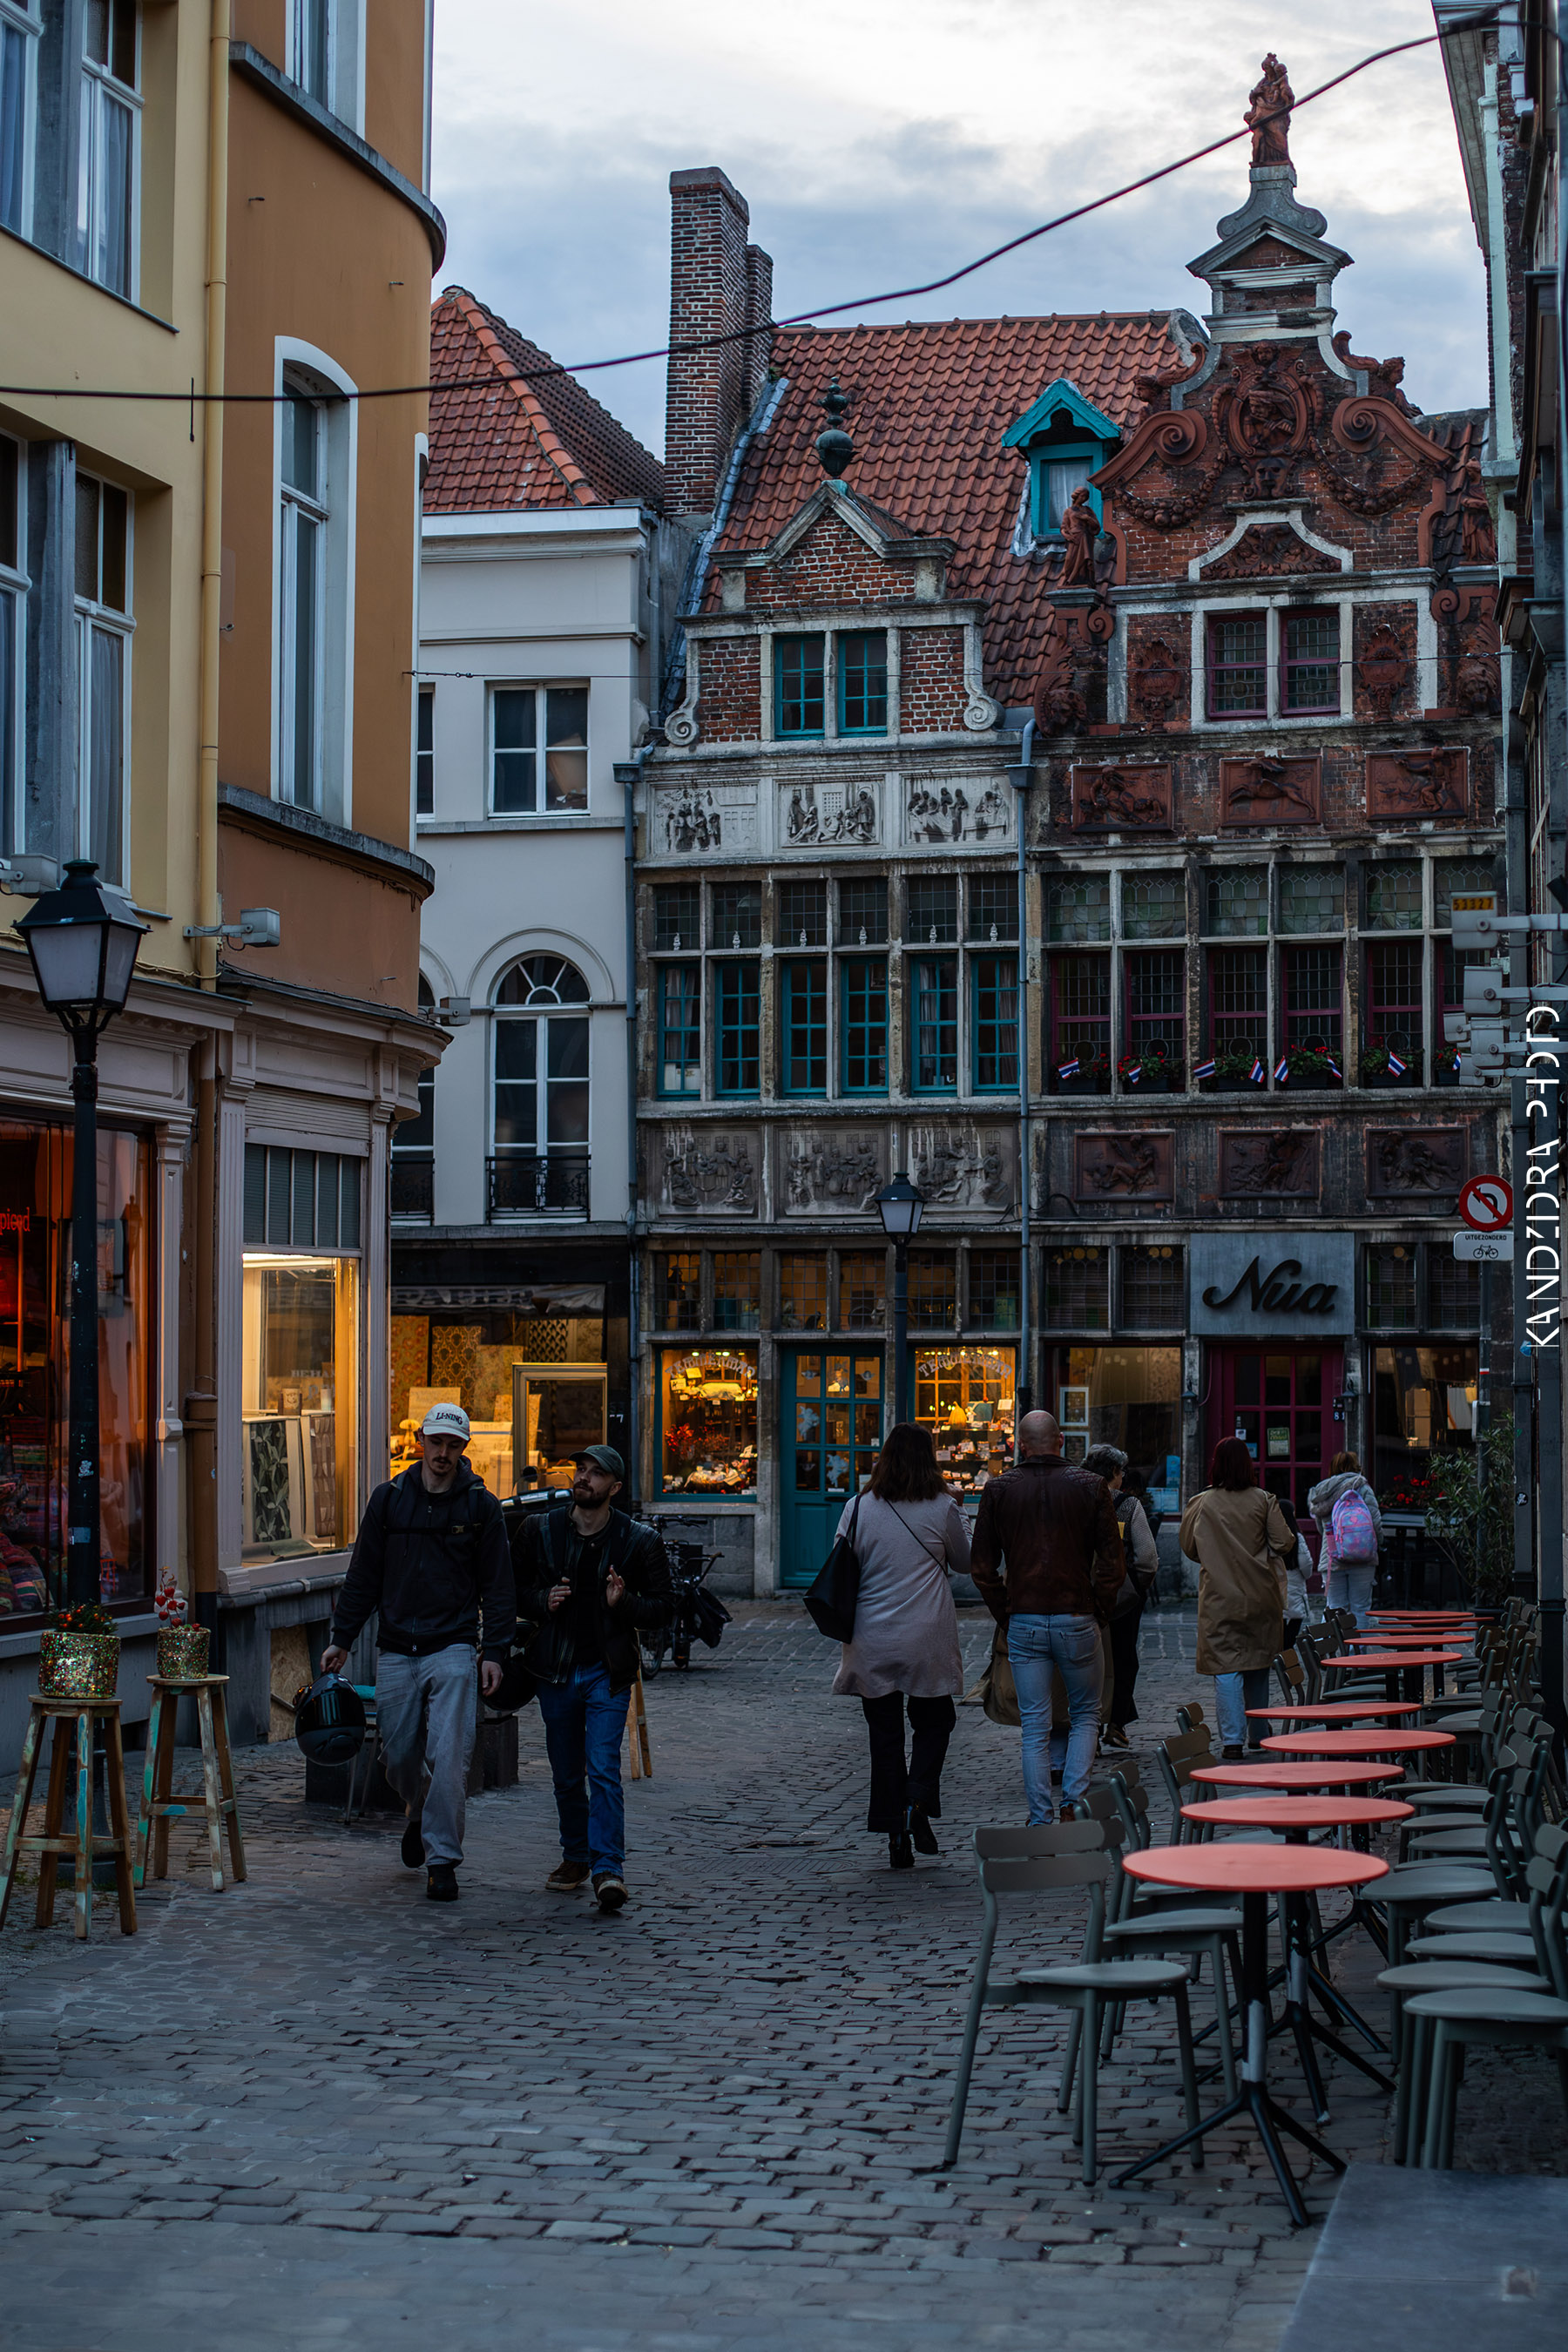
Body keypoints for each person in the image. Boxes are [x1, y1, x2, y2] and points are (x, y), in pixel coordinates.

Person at [321, 1401, 514, 1903]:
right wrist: (342, 1638)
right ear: (421, 1443)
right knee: (398, 1756)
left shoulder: (481, 1507)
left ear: (463, 1450)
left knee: (450, 1757)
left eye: (453, 1446)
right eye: (436, 1443)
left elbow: (498, 1587)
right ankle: (419, 1809)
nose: (443, 1454)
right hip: (396, 1647)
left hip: (453, 1645)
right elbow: (363, 1575)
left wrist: (493, 1649)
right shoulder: (388, 1501)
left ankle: (443, 1860)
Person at [512, 1445, 672, 1913]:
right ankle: (576, 1857)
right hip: (554, 1670)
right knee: (565, 1774)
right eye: (580, 1470)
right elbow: (509, 1591)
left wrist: (623, 1604)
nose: (583, 1478)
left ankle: (608, 1869)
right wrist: (543, 1600)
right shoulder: (539, 1530)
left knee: (602, 1768)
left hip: (607, 1670)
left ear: (615, 1488)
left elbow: (664, 1608)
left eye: (596, 1473)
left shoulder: (638, 1541)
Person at [970, 1409, 1124, 1823]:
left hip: (1026, 1618)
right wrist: (1100, 1611)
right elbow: (1113, 1564)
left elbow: (981, 1568)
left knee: (1035, 1726)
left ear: (1021, 1445)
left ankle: (1040, 1815)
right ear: (1060, 1442)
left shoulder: (999, 1489)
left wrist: (1006, 1612)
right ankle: (1073, 1801)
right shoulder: (1091, 1487)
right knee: (1086, 1714)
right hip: (1076, 1615)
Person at [830, 1422, 971, 1871]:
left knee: (884, 1736)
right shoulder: (943, 1506)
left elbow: (840, 1563)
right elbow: (966, 1563)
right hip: (925, 1633)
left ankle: (896, 1832)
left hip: (872, 1636)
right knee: (936, 1720)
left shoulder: (856, 1508)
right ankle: (916, 1800)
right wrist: (962, 1513)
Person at [1179, 1439, 1294, 1761]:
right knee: (1258, 1664)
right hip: (1261, 1596)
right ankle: (1259, 1733)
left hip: (1219, 1598)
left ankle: (1232, 1739)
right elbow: (1284, 1543)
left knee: (1227, 1669)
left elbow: (1189, 1548)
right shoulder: (1264, 1500)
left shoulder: (1201, 1503)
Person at [1082, 1443, 1158, 1751]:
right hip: (1121, 1598)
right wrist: (1137, 1587)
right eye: (1121, 1471)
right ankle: (1116, 1724)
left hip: (1082, 1595)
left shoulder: (1076, 1500)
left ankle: (1089, 1730)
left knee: (1087, 1663)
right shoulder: (1127, 1505)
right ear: (1114, 1472)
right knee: (1125, 1659)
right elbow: (1148, 1558)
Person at [1308, 1450, 1384, 1625]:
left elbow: (1321, 1528)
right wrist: (1377, 1545)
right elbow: (1375, 1523)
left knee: (1334, 1607)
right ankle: (1358, 1651)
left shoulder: (1323, 1491)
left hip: (1333, 1558)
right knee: (1360, 1608)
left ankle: (1335, 1651)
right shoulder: (1363, 1488)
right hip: (1363, 1557)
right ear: (1356, 1466)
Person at [1274, 1495, 1313, 1652]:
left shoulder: (1270, 1537)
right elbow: (1306, 1564)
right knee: (1296, 1617)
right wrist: (1306, 1575)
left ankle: (1280, 1651)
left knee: (1280, 1619)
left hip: (1275, 1583)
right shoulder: (1297, 1538)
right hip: (1294, 1582)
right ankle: (1286, 1650)